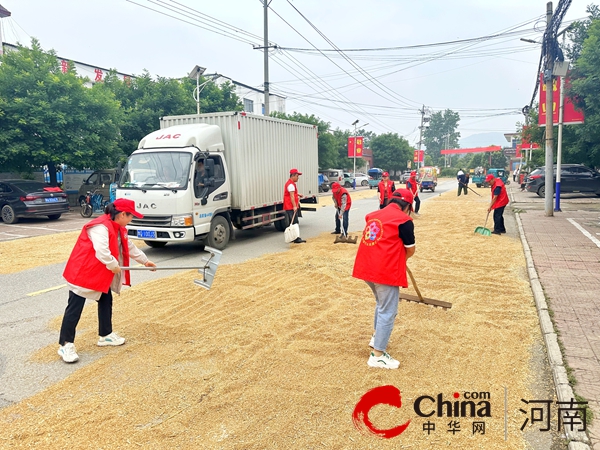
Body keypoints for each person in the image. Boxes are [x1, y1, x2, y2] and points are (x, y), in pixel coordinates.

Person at [58, 198, 156, 363]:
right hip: (83, 271)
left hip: (99, 273)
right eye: (131, 216)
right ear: (122, 214)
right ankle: (65, 344)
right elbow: (102, 251)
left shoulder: (119, 227)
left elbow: (128, 246)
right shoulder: (100, 226)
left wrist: (145, 261)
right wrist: (114, 265)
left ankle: (105, 335)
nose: (132, 219)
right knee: (75, 308)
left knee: (106, 300)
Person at [352, 189, 416, 370]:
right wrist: (401, 259)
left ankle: (376, 337)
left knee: (381, 304)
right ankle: (378, 355)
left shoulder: (374, 215)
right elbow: (410, 249)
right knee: (388, 310)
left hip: (366, 268)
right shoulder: (404, 221)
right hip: (384, 271)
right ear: (408, 206)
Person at [283, 168, 306, 244]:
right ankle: (296, 238)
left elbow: (292, 194)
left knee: (292, 221)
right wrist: (294, 206)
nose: (298, 177)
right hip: (290, 206)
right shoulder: (291, 185)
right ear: (293, 176)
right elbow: (291, 196)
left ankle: (294, 237)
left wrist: (298, 194)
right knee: (294, 222)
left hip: (289, 205)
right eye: (297, 176)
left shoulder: (290, 184)